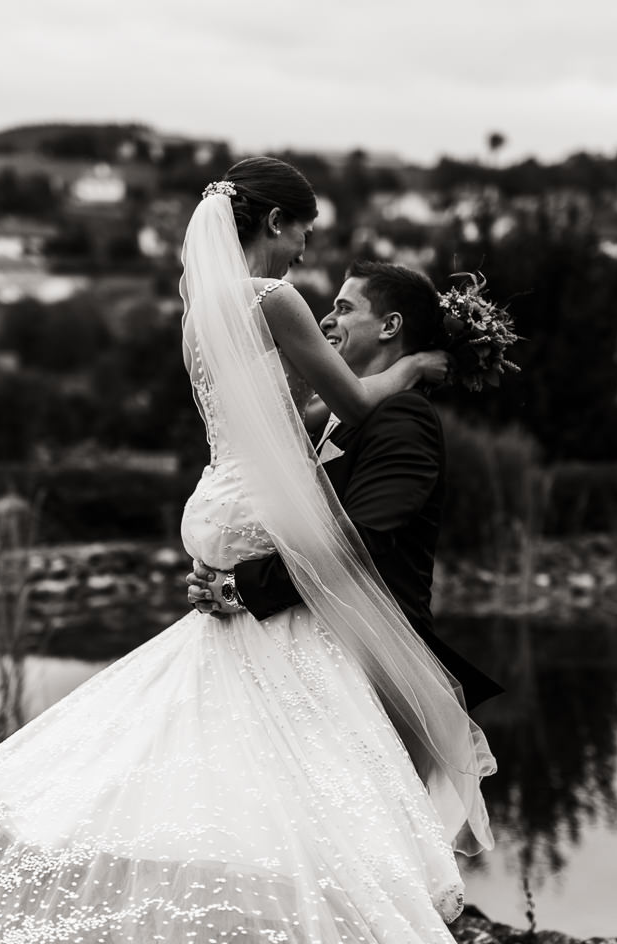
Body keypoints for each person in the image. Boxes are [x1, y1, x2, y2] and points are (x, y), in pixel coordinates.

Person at [0, 157, 514, 944]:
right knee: (319, 748)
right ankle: (322, 933)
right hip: (257, 515)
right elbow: (355, 401)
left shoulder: (205, 308)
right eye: (303, 227)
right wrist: (422, 364)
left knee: (241, 726)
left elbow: (285, 430)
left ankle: (232, 932)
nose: (306, 247)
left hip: (224, 501)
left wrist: (244, 573)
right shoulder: (273, 300)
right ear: (272, 222)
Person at [187, 260, 502, 711]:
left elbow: (359, 541)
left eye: (344, 308)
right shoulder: (338, 413)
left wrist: (239, 587)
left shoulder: (404, 417)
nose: (326, 321)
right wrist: (219, 573)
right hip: (311, 656)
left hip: (376, 666)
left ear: (390, 326)